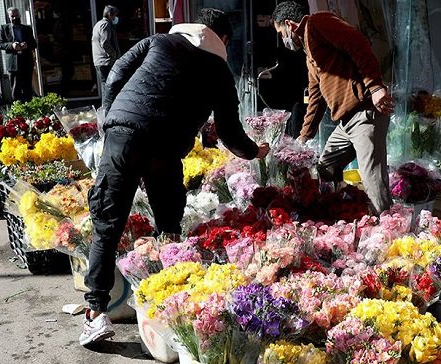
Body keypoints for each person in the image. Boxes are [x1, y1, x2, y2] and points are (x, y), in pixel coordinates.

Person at [79, 8, 270, 346]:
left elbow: (115, 74)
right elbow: (229, 131)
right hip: (164, 149)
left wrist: (111, 119)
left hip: (123, 136)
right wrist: (254, 152)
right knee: (168, 226)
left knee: (108, 224)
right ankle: (171, 304)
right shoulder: (220, 70)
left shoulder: (158, 41)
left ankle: (96, 312)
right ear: (223, 39)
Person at [271, 1, 395, 214]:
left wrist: (375, 87)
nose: (284, 40)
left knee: (373, 180)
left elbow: (357, 43)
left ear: (290, 25)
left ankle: (390, 231)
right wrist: (303, 137)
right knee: (325, 167)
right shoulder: (309, 52)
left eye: (281, 32)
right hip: (346, 122)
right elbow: (316, 97)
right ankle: (342, 210)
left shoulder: (319, 23)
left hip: (363, 113)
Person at [0, 7, 37, 103]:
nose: (15, 18)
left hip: (26, 61)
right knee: (15, 88)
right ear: (9, 17)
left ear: (20, 15)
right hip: (13, 63)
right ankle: (18, 110)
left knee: (28, 87)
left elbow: (34, 43)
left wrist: (27, 44)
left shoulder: (27, 28)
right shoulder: (4, 28)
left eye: (16, 16)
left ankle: (30, 107)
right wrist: (12, 45)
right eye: (12, 16)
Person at [92, 5, 121, 99]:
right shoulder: (106, 24)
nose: (115, 17)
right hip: (106, 62)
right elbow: (105, 43)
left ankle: (106, 109)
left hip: (100, 61)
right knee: (109, 87)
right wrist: (114, 55)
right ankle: (107, 110)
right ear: (109, 15)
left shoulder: (98, 24)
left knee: (105, 86)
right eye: (114, 15)